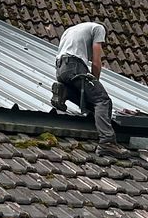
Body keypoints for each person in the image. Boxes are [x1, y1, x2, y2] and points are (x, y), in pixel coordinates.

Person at [52, 21, 124, 153]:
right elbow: (96, 61)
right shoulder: (99, 28)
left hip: (61, 69)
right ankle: (107, 142)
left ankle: (65, 91)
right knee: (102, 100)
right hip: (75, 66)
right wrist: (95, 82)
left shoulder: (71, 29)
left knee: (88, 99)